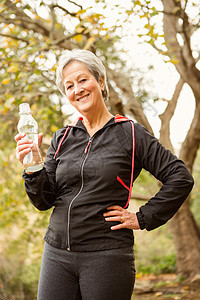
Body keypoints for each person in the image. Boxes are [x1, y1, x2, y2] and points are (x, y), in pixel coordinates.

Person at [15, 49, 194, 300]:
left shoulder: (130, 133)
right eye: (69, 86)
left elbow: (180, 177)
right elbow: (44, 201)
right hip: (56, 254)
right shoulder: (62, 137)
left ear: (100, 81)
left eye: (82, 80)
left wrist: (142, 217)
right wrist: (33, 165)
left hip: (106, 256)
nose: (77, 89)